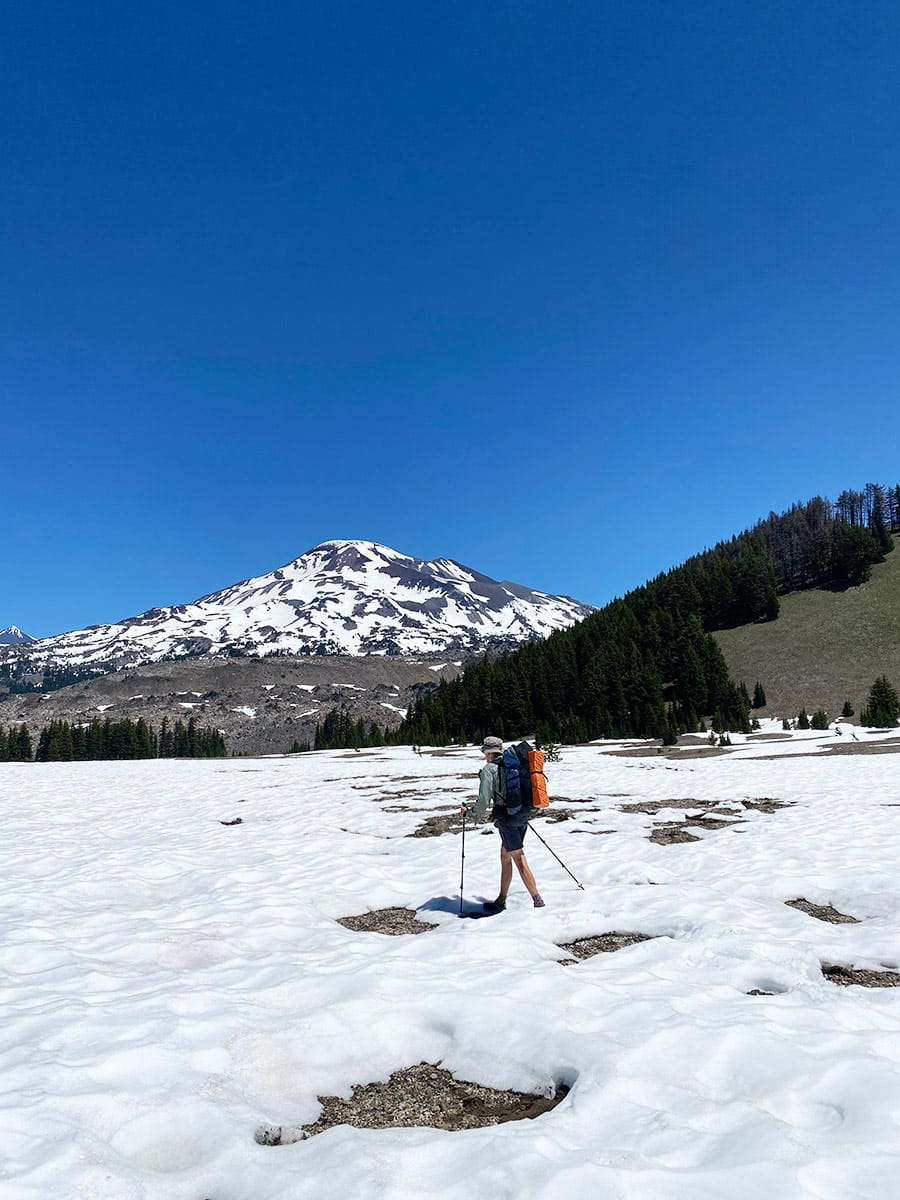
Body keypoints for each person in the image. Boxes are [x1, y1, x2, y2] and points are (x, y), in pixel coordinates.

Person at [463, 735, 544, 912]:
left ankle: (537, 900)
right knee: (505, 855)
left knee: (518, 856)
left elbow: (483, 801)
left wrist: (469, 813)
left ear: (488, 753)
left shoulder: (489, 769)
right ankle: (501, 898)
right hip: (522, 814)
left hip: (507, 819)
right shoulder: (513, 765)